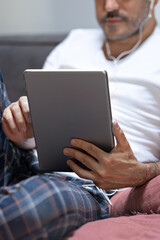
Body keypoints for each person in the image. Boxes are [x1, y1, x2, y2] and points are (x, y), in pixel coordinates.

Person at [0, 0, 160, 239]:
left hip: (88, 186)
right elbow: (37, 113)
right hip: (25, 160)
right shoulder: (75, 42)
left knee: (26, 208)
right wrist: (24, 131)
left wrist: (143, 172)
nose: (109, 5)